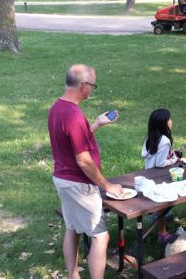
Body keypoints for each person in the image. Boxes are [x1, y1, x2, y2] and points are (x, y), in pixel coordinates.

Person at [48, 64, 123, 279]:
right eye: (93, 85)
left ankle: (73, 275)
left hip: (62, 179)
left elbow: (72, 140)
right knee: (101, 237)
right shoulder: (73, 115)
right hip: (78, 184)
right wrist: (107, 185)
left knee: (72, 228)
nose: (92, 90)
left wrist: (96, 124)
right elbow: (83, 161)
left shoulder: (58, 108)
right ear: (83, 86)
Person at [141, 108, 180, 243]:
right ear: (164, 123)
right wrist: (174, 159)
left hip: (148, 174)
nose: (171, 121)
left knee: (162, 203)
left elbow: (151, 154)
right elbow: (160, 163)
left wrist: (170, 152)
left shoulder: (150, 137)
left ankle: (161, 215)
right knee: (166, 199)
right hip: (159, 177)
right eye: (169, 119)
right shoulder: (164, 140)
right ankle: (162, 233)